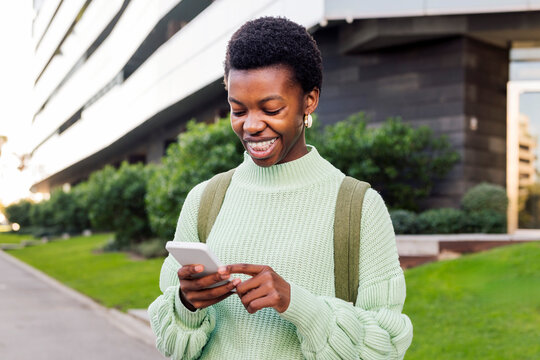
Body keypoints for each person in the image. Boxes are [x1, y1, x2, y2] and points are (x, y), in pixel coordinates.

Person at [148, 16, 413, 359]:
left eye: (271, 109)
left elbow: (385, 346)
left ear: (309, 101)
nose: (252, 126)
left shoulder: (358, 207)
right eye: (238, 110)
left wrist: (297, 304)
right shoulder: (204, 200)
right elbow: (171, 345)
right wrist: (187, 305)